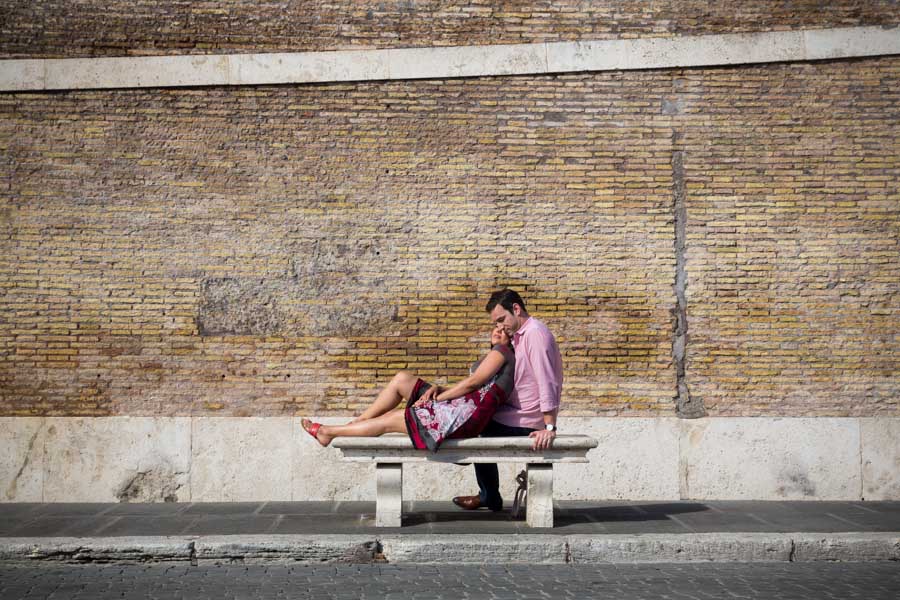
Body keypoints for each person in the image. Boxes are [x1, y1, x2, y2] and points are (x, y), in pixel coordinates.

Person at [428, 288, 563, 512]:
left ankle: (488, 494)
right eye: (496, 323)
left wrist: (549, 426)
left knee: (474, 427)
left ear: (516, 309)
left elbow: (547, 381)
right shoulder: (519, 337)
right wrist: (497, 346)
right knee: (472, 419)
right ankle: (488, 493)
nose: (500, 326)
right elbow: (489, 372)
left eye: (502, 319)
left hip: (527, 421)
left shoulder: (535, 334)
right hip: (512, 413)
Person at [302, 325, 515, 451]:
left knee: (394, 418)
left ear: (512, 336)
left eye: (504, 328)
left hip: (465, 419)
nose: (498, 329)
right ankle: (357, 423)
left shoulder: (502, 351)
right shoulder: (497, 353)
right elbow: (474, 388)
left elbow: (473, 383)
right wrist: (440, 389)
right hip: (462, 409)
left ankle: (329, 432)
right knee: (402, 379)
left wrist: (436, 400)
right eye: (496, 325)